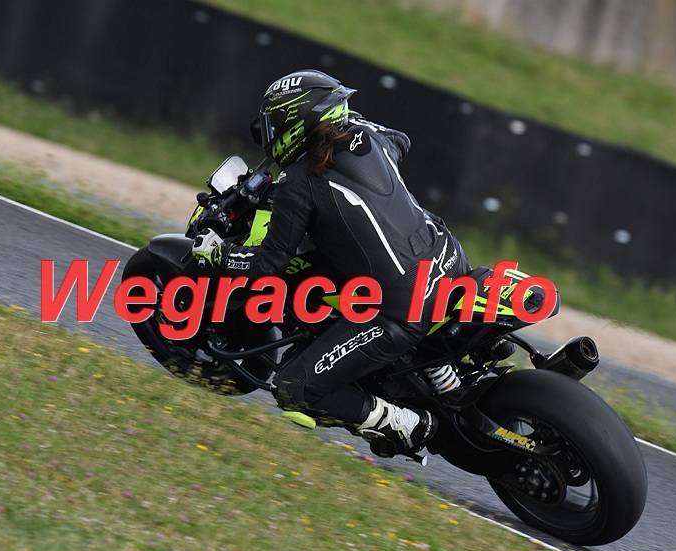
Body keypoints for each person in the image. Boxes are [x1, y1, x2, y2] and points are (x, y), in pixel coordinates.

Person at [191, 69, 470, 457]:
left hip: (403, 306)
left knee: (294, 388)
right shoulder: (366, 134)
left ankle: (408, 424)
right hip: (448, 257)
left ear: (293, 123)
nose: (268, 133)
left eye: (273, 123)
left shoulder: (298, 183)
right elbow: (400, 141)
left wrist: (219, 254)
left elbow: (267, 266)